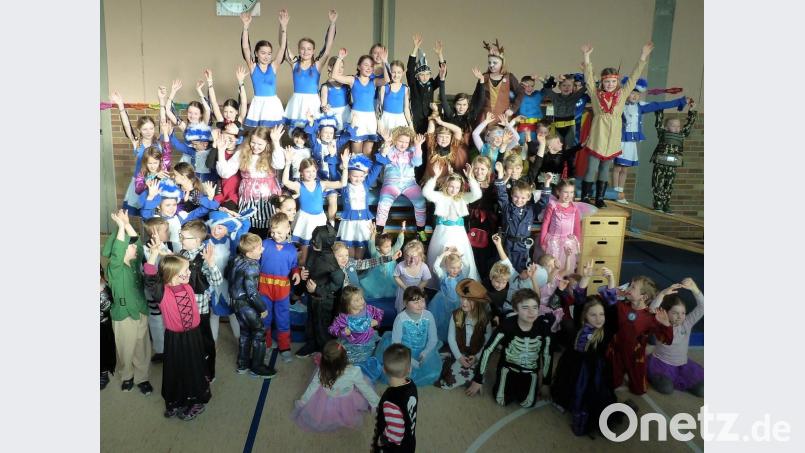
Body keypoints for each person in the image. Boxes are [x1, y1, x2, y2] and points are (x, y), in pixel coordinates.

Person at [577, 41, 654, 208]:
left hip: (613, 139)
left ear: (616, 82)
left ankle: (599, 198)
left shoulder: (622, 93)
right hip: (598, 137)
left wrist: (643, 56)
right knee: (592, 168)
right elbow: (589, 80)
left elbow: (633, 78)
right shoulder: (596, 94)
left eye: (612, 81)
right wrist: (587, 56)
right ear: (602, 83)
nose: (609, 84)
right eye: (606, 82)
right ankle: (585, 197)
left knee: (605, 169)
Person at [550, 261, 619, 437]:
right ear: (584, 316)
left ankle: (583, 415)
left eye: (601, 314)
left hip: (593, 371)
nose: (598, 318)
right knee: (570, 384)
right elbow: (580, 299)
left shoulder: (606, 331)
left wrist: (611, 280)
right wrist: (586, 277)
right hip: (574, 362)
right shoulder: (579, 325)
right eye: (593, 315)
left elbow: (611, 307)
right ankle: (567, 402)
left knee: (587, 395)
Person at [143, 251, 211, 421]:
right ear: (172, 273)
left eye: (188, 269)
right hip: (174, 338)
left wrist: (171, 255)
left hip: (193, 337)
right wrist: (153, 254)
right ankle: (176, 401)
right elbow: (150, 276)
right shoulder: (162, 292)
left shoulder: (189, 285)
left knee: (193, 368)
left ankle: (196, 401)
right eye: (185, 270)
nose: (189, 272)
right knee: (175, 369)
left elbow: (200, 278)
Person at [466, 288, 555, 408]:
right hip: (507, 370)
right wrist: (478, 379)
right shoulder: (507, 326)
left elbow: (547, 355)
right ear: (515, 309)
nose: (531, 312)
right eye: (525, 308)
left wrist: (546, 383)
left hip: (530, 373)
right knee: (501, 400)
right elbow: (488, 350)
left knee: (528, 403)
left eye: (535, 307)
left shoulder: (543, 328)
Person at [611, 78, 689, 204]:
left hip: (631, 142)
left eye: (637, 94)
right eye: (632, 93)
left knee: (625, 169)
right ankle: (613, 193)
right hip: (620, 140)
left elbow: (659, 105)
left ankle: (620, 194)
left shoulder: (640, 106)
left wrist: (680, 101)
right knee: (617, 167)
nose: (635, 96)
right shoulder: (618, 105)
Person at [102, 210, 152, 395]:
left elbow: (136, 243)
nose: (134, 248)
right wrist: (120, 227)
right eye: (129, 247)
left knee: (142, 346)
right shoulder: (115, 268)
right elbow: (116, 253)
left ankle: (142, 377)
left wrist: (127, 224)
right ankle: (127, 376)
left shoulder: (133, 263)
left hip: (140, 310)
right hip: (123, 314)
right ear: (122, 251)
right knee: (125, 347)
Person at [292, 340, 380, 432]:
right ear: (344, 358)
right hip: (347, 398)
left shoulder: (321, 372)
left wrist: (303, 401)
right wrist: (374, 402)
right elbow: (365, 388)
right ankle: (347, 420)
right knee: (348, 412)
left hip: (328, 396)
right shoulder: (354, 372)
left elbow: (312, 388)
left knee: (327, 411)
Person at [281, 147, 349, 266]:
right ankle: (301, 272)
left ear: (316, 170)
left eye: (313, 171)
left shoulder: (321, 184)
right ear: (301, 172)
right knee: (304, 254)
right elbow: (286, 182)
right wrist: (287, 164)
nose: (311, 174)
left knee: (319, 251)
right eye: (307, 171)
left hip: (319, 219)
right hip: (305, 219)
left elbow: (342, 183)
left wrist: (346, 166)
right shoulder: (299, 185)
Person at [215, 125, 286, 238]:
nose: (255, 147)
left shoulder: (273, 152)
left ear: (267, 143)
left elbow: (279, 164)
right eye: (253, 142)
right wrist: (221, 150)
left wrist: (276, 142)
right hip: (248, 198)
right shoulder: (242, 152)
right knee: (248, 227)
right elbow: (225, 173)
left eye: (260, 144)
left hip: (268, 198)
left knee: (268, 228)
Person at [609, 273, 674, 395]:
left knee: (639, 390)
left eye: (633, 287)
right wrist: (615, 293)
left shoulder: (650, 317)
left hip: (636, 358)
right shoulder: (621, 306)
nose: (628, 289)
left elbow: (667, 340)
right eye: (630, 285)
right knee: (611, 384)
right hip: (616, 354)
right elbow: (605, 298)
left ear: (643, 297)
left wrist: (666, 325)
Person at [177, 220, 224, 382]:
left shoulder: (205, 256)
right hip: (183, 306)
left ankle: (208, 371)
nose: (180, 240)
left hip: (200, 309)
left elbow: (217, 281)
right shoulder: (182, 254)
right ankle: (190, 366)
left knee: (205, 342)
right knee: (187, 340)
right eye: (180, 236)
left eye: (183, 237)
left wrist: (211, 263)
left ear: (197, 241)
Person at [422, 162, 481, 290]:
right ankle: (440, 283)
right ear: (446, 185)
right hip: (442, 232)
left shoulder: (462, 198)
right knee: (440, 255)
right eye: (451, 186)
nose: (453, 190)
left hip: (458, 233)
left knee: (460, 255)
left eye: (457, 187)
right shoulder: (440, 196)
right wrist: (434, 177)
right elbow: (426, 192)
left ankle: (462, 281)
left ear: (460, 188)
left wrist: (471, 178)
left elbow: (477, 195)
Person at [228, 233, 278, 378]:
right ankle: (257, 366)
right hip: (247, 305)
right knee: (259, 332)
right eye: (259, 248)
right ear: (249, 253)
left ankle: (242, 363)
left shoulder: (237, 259)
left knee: (244, 333)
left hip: (236, 303)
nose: (262, 250)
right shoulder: (252, 266)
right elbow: (252, 292)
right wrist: (262, 308)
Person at [109, 90, 164, 215]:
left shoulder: (159, 142)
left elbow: (163, 121)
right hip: (140, 182)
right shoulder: (137, 143)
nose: (149, 131)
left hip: (157, 181)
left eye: (151, 128)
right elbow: (127, 126)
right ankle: (143, 234)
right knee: (141, 212)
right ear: (139, 130)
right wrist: (120, 105)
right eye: (145, 129)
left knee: (156, 212)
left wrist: (161, 100)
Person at [283, 9, 338, 131]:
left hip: (312, 102)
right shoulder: (294, 63)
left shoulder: (317, 65)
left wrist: (332, 23)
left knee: (312, 132)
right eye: (302, 48)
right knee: (297, 134)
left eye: (309, 49)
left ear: (313, 51)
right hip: (297, 102)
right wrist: (283, 26)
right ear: (298, 50)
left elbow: (328, 48)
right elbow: (283, 46)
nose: (305, 51)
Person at [647, 278, 704, 396]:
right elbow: (652, 310)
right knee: (667, 389)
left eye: (683, 313)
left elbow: (702, 307)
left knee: (701, 390)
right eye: (675, 313)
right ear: (665, 313)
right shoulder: (660, 324)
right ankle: (652, 374)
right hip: (661, 364)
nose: (680, 316)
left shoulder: (687, 323)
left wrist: (695, 289)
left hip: (682, 364)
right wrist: (662, 294)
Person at [375, 286, 442, 386]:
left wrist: (426, 352)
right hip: (402, 352)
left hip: (422, 351)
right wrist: (410, 360)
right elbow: (396, 343)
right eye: (415, 302)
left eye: (422, 301)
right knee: (399, 375)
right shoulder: (401, 318)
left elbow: (433, 339)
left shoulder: (429, 316)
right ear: (406, 303)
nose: (420, 305)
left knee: (433, 373)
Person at [258, 213, 301, 363]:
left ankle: (284, 347)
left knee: (283, 319)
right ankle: (267, 345)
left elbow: (295, 266)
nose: (276, 235)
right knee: (265, 318)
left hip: (282, 290)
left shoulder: (292, 249)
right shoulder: (264, 244)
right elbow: (255, 261)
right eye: (273, 232)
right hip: (264, 289)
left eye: (280, 232)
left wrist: (296, 273)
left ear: (288, 229)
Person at [330, 47, 390, 156]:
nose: (369, 68)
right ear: (359, 66)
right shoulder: (353, 80)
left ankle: (365, 173)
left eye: (371, 66)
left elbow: (387, 80)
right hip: (356, 117)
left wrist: (385, 61)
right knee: (356, 152)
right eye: (365, 65)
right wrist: (340, 58)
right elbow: (334, 76)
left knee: (368, 153)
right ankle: (354, 172)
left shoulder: (374, 81)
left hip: (370, 118)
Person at [436, 279, 492, 390]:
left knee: (470, 375)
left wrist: (477, 357)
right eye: (462, 298)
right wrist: (459, 357)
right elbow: (451, 338)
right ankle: (453, 361)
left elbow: (487, 343)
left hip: (475, 354)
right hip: (460, 351)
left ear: (477, 302)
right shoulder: (456, 315)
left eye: (469, 300)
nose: (464, 302)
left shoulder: (485, 320)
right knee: (443, 374)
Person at [374, 127, 428, 241]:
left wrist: (418, 146)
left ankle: (420, 230)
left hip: (409, 183)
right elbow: (383, 155)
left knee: (421, 201)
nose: (403, 145)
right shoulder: (390, 149)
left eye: (406, 142)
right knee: (384, 201)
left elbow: (417, 163)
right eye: (400, 141)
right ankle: (379, 230)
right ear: (395, 140)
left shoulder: (412, 150)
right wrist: (386, 142)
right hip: (391, 183)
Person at [239, 9, 289, 128]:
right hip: (258, 104)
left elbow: (282, 48)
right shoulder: (253, 66)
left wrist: (284, 27)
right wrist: (246, 27)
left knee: (273, 134)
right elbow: (245, 47)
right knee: (259, 135)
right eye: (263, 53)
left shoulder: (274, 66)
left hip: (273, 104)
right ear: (256, 53)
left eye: (269, 53)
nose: (266, 56)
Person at [650, 99, 698, 213]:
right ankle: (658, 204)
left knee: (669, 185)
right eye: (673, 126)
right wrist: (660, 107)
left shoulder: (682, 134)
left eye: (678, 126)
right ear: (666, 127)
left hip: (672, 166)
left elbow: (689, 124)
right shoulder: (662, 133)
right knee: (658, 184)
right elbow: (658, 121)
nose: (677, 128)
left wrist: (692, 110)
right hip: (661, 164)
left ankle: (666, 204)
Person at [328, 286, 385, 381]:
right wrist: (343, 331)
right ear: (347, 304)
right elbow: (331, 329)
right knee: (349, 364)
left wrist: (377, 321)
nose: (361, 302)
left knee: (369, 359)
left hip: (368, 341)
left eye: (361, 298)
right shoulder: (343, 317)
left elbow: (379, 313)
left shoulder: (369, 309)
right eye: (356, 300)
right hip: (351, 344)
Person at [336, 154, 384, 258]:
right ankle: (351, 268)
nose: (358, 179)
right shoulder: (344, 186)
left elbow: (376, 170)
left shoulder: (365, 184)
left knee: (361, 245)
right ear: (348, 175)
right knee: (349, 245)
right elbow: (332, 172)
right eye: (355, 176)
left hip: (363, 220)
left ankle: (359, 267)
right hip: (349, 221)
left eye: (361, 176)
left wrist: (383, 154)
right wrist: (344, 165)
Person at [372, 344, 418, 452]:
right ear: (410, 369)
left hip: (396, 448)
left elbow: (396, 434)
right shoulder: (411, 385)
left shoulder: (391, 401)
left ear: (383, 369)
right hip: (409, 440)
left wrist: (383, 440)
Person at [470, 39, 524, 127]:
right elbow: (476, 96)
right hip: (485, 117)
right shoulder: (484, 76)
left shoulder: (509, 77)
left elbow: (521, 92)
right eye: (489, 62)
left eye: (495, 63)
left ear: (502, 63)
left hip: (502, 117)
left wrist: (513, 109)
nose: (491, 65)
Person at [538, 179, 583, 273]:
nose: (569, 195)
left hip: (568, 242)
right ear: (558, 192)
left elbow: (577, 227)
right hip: (553, 242)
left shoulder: (575, 208)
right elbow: (545, 223)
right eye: (565, 192)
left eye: (571, 192)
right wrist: (542, 241)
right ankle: (550, 285)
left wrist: (577, 241)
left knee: (565, 267)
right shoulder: (552, 206)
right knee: (552, 266)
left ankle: (561, 286)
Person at [407, 34, 445, 134]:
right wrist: (415, 48)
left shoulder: (432, 84)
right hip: (415, 119)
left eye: (427, 74)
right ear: (417, 75)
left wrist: (440, 55)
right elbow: (410, 70)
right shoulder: (413, 84)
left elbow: (443, 72)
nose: (425, 77)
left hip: (428, 120)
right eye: (422, 75)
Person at [428, 250, 469, 343]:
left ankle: (455, 339)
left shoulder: (462, 275)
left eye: (458, 267)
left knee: (456, 321)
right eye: (452, 268)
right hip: (442, 303)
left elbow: (468, 266)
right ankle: (442, 339)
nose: (456, 270)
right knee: (442, 321)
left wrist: (461, 255)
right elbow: (435, 267)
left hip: (458, 303)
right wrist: (443, 254)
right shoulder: (443, 275)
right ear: (446, 267)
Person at [360, 222, 406, 300]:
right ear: (378, 247)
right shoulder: (375, 253)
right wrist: (373, 234)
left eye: (390, 245)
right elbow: (371, 244)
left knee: (392, 290)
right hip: (376, 278)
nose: (389, 248)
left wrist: (402, 231)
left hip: (390, 278)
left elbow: (399, 243)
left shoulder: (392, 251)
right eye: (386, 246)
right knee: (374, 291)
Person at [393, 240, 431, 313]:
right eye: (408, 256)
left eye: (415, 256)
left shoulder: (423, 267)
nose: (412, 260)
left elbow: (426, 279)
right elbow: (396, 276)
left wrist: (418, 288)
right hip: (404, 291)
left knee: (417, 308)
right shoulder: (400, 266)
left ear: (421, 256)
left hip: (417, 292)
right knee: (403, 308)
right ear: (404, 256)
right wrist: (405, 287)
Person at [379, 60, 414, 131]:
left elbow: (406, 108)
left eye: (399, 72)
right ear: (390, 72)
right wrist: (379, 123)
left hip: (400, 119)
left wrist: (410, 123)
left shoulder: (405, 88)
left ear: (403, 73)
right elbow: (379, 108)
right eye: (393, 72)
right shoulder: (384, 88)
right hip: (386, 119)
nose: (396, 75)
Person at [100, 265, 116, 390]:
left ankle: (103, 372)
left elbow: (109, 305)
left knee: (104, 347)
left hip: (103, 323)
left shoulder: (105, 286)